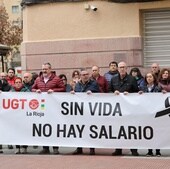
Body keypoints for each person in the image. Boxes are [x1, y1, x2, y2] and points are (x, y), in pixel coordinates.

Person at [32, 62, 66, 154]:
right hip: (42, 108)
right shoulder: (38, 79)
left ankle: (55, 148)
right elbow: (32, 88)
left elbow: (63, 89)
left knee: (54, 127)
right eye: (43, 69)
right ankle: (45, 147)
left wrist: (54, 90)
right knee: (43, 127)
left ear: (50, 69)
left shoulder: (56, 79)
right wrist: (36, 90)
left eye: (46, 69)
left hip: (53, 108)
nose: (44, 71)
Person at [110, 61, 139, 156]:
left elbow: (137, 92)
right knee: (118, 129)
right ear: (118, 69)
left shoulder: (132, 79)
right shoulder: (113, 79)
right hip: (117, 110)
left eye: (123, 67)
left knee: (131, 129)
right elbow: (109, 91)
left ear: (126, 68)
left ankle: (134, 150)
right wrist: (113, 93)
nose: (122, 69)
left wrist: (130, 94)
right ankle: (118, 149)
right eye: (120, 67)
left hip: (129, 109)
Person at [72, 69, 100, 155]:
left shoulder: (94, 83)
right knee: (79, 129)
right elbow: (76, 95)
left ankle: (92, 149)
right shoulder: (77, 85)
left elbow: (98, 94)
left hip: (90, 110)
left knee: (90, 129)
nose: (85, 76)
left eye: (87, 74)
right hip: (80, 110)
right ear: (80, 76)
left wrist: (92, 93)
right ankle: (79, 148)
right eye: (83, 75)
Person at [140, 72, 163, 157]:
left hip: (156, 113)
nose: (149, 78)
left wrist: (163, 93)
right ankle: (149, 151)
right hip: (147, 113)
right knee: (148, 132)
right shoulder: (142, 88)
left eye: (150, 77)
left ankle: (158, 151)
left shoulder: (158, 88)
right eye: (147, 77)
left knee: (157, 132)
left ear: (153, 78)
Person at [10, 77, 30, 154]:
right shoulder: (11, 92)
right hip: (15, 115)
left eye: (19, 82)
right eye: (16, 82)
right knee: (15, 131)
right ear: (14, 84)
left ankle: (24, 147)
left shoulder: (26, 91)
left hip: (24, 115)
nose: (18, 84)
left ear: (22, 83)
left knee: (24, 131)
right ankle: (17, 147)